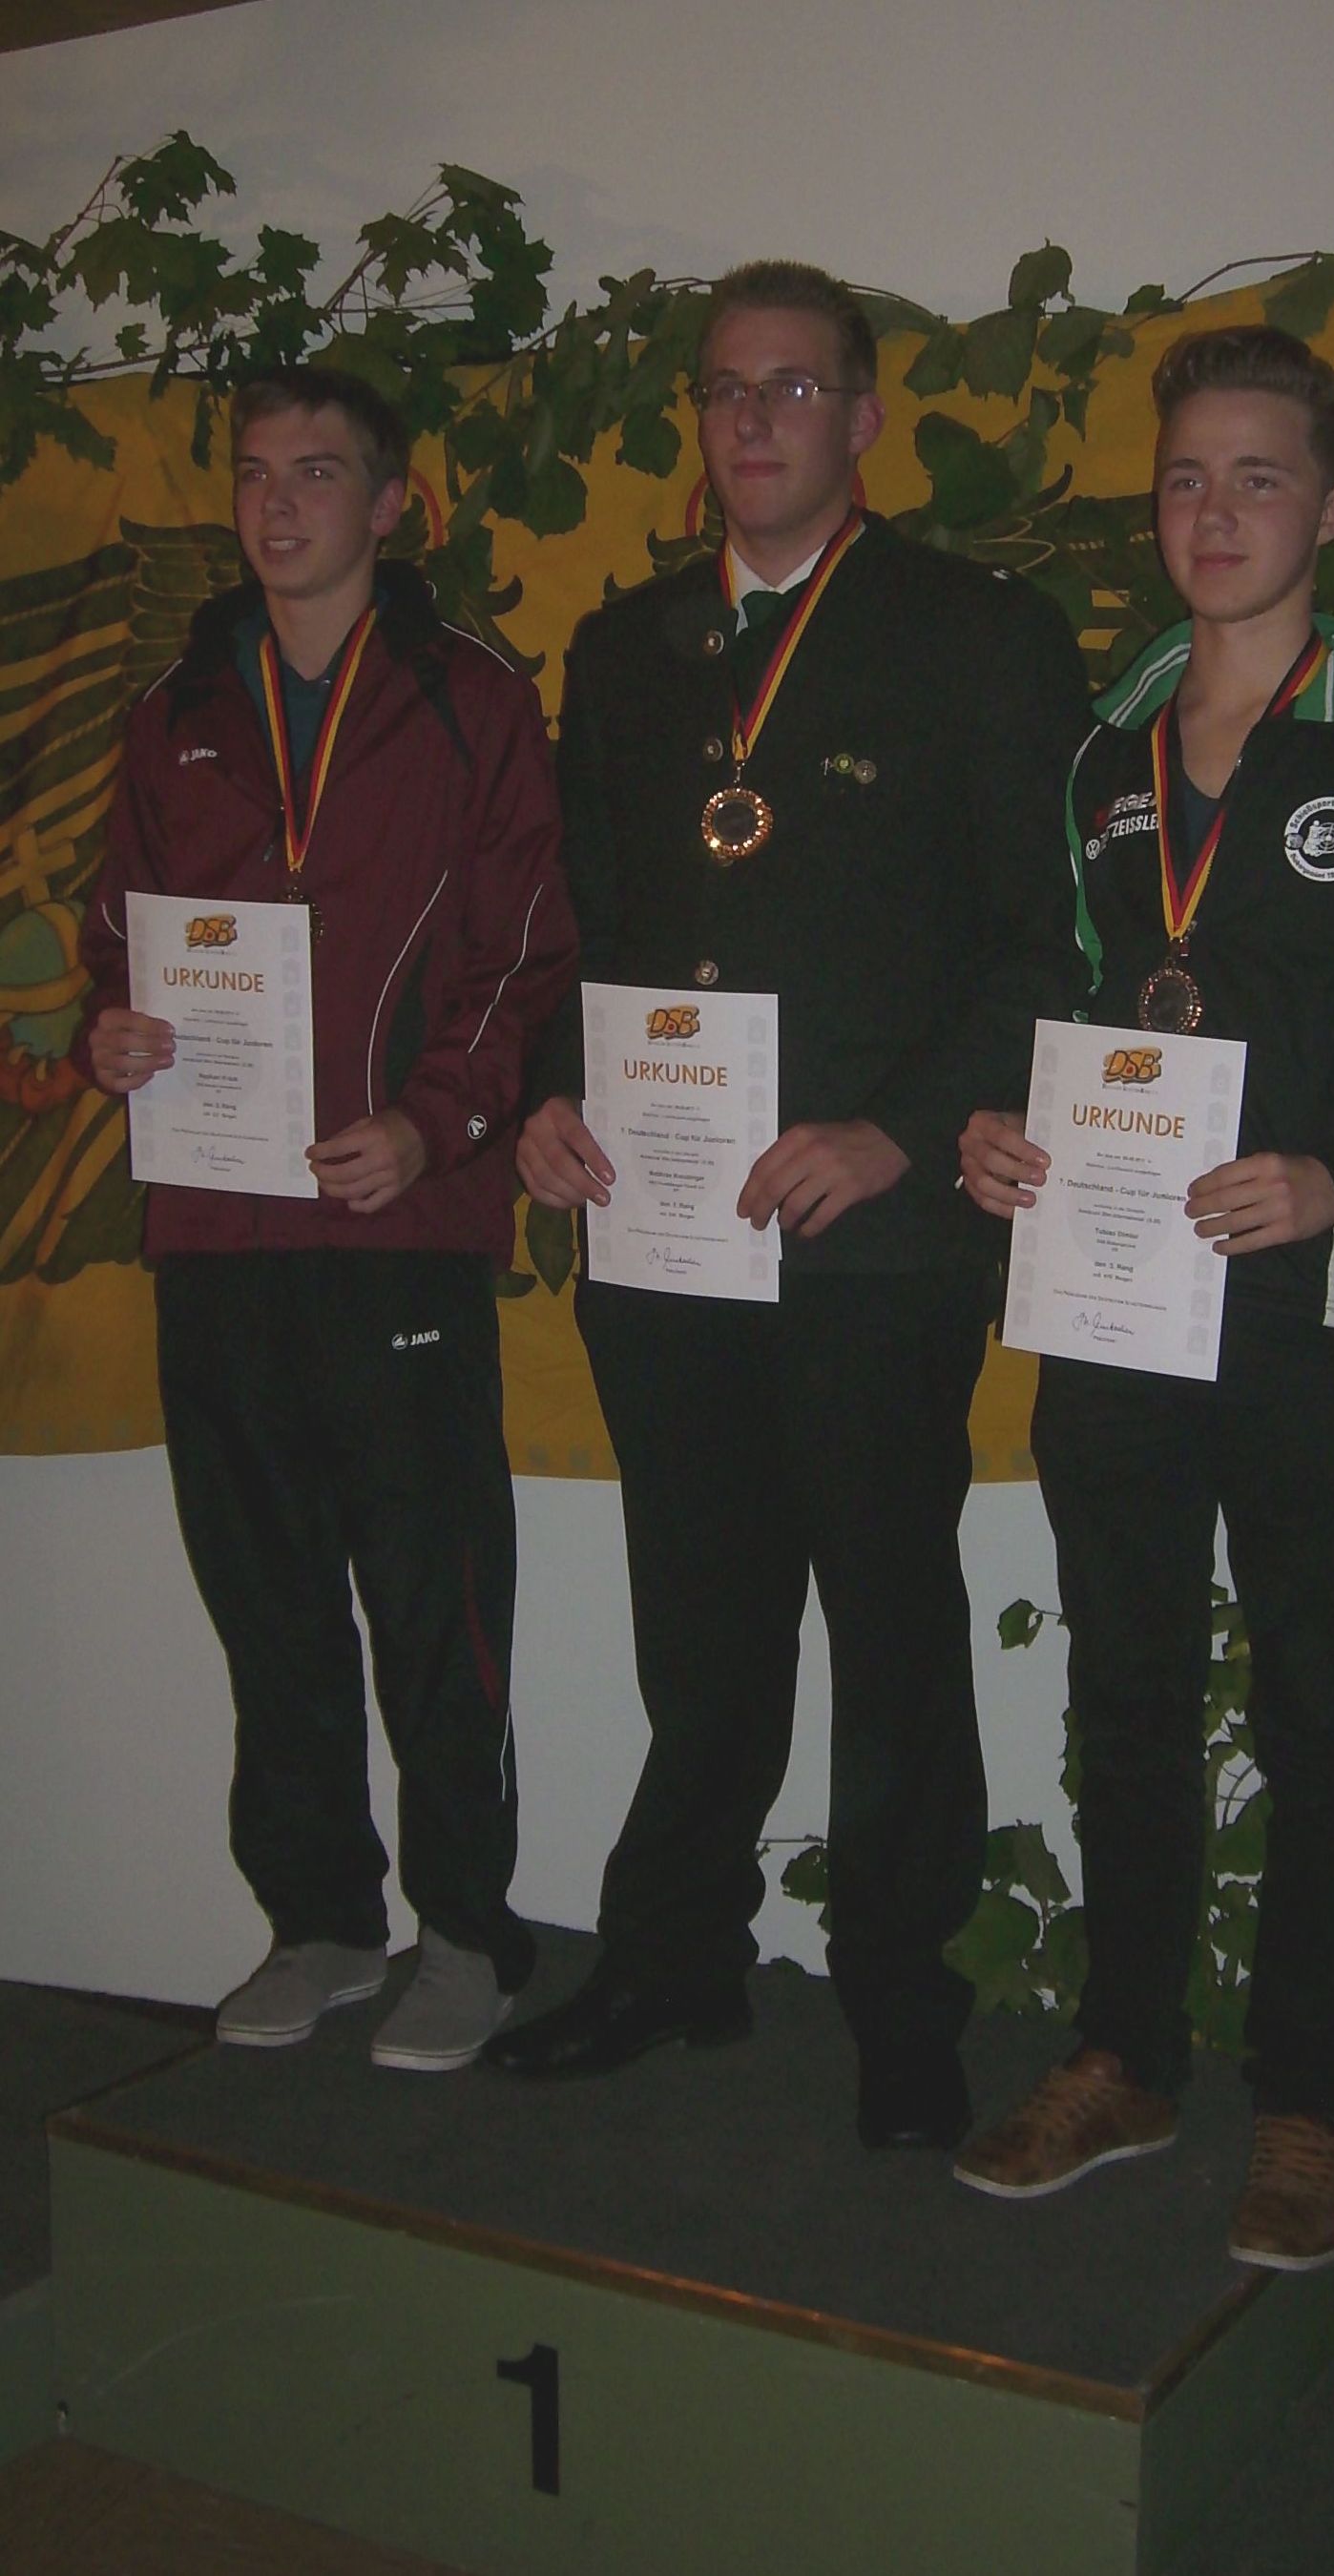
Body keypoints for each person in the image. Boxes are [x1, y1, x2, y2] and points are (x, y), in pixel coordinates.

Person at [954, 325, 1334, 2263]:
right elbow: (1053, 996)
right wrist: (1002, 1125)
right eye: (1185, 478)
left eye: (1257, 477)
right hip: (1117, 1294)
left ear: (1330, 510)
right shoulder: (1101, 758)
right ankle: (1126, 2057)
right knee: (1127, 1686)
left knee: (1316, 1698)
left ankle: (1305, 2103)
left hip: (1313, 1308)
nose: (1213, 512)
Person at [486, 260, 1088, 2147]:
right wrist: (549, 1091)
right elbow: (579, 921)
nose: (753, 420)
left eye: (795, 387)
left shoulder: (978, 637)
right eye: (726, 389)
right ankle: (676, 1954)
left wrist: (899, 1132)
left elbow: (1043, 939)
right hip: (664, 1225)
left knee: (890, 1621)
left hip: (873, 1235)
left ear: (865, 419)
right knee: (699, 1618)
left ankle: (902, 2001)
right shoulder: (626, 649)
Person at [76, 364, 577, 2071]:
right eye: (254, 474)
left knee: (435, 1600)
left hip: (395, 1226)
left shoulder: (469, 699)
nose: (278, 504)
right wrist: (115, 1031)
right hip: (216, 1227)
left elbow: (524, 954)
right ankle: (319, 1921)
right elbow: (117, 933)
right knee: (267, 1597)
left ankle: (468, 1933)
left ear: (390, 502)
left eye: (317, 472)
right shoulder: (178, 710)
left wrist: (431, 1125)